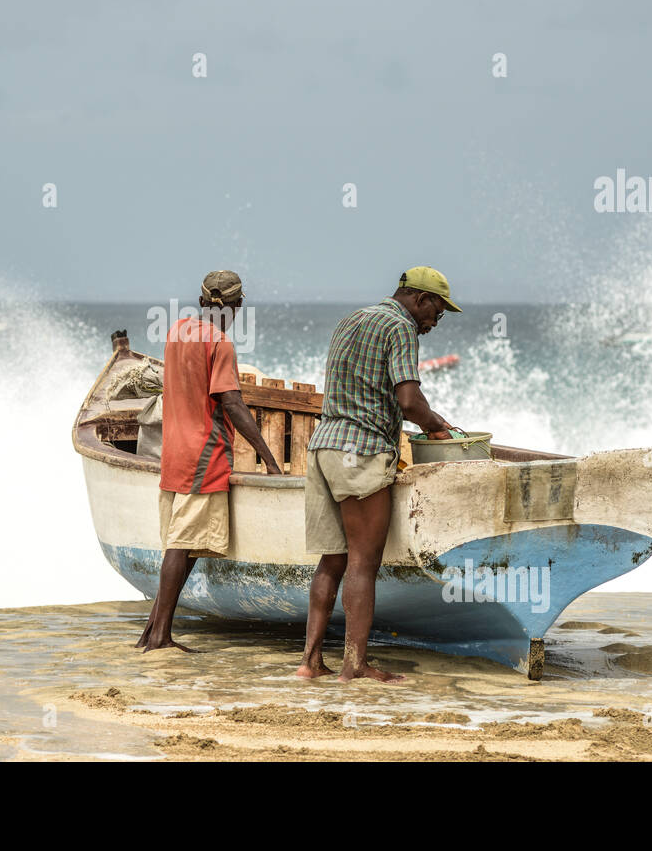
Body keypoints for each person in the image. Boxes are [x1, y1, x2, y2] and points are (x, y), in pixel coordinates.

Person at [296, 267, 461, 682]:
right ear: (421, 299)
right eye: (436, 313)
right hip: (362, 451)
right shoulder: (400, 326)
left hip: (324, 447)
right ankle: (354, 664)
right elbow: (408, 399)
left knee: (331, 562)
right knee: (363, 563)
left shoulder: (354, 318)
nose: (433, 324)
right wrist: (437, 426)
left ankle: (310, 662)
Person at [137, 270, 282, 652]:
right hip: (204, 455)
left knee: (179, 545)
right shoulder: (221, 344)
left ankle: (153, 630)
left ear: (201, 301)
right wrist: (269, 459)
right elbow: (231, 402)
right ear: (236, 307)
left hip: (172, 453)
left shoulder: (177, 332)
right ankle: (160, 636)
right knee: (181, 546)